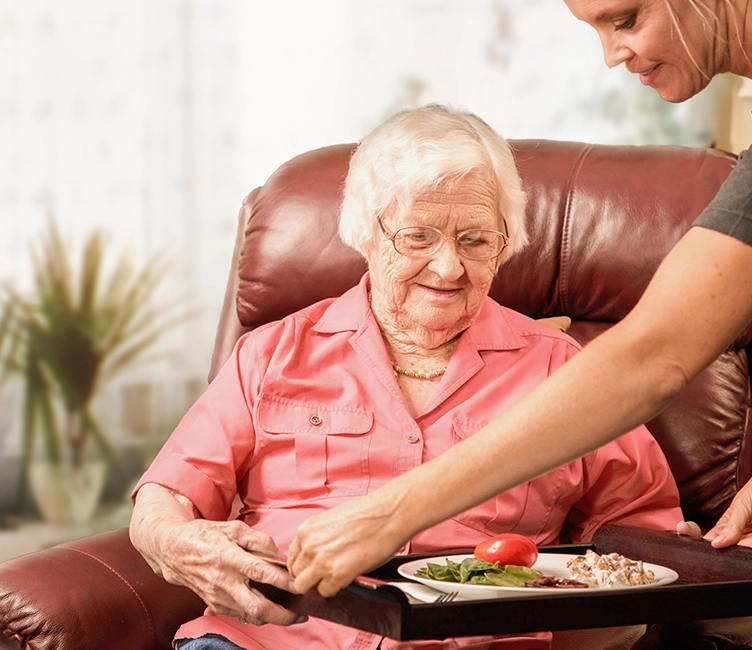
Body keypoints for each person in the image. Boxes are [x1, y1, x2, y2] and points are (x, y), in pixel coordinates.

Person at [130, 103, 683, 650]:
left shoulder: (565, 372)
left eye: (475, 240)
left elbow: (642, 536)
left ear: (504, 245)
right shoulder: (272, 353)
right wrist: (178, 542)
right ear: (365, 233)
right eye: (418, 237)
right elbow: (166, 498)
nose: (448, 268)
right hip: (269, 642)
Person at [287, 0, 752, 599]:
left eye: (627, 18)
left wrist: (392, 513)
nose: (612, 56)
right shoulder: (273, 351)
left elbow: (656, 357)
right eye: (418, 237)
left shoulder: (550, 359)